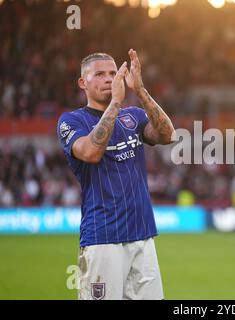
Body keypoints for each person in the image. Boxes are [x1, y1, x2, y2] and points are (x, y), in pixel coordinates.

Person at [57, 49, 175, 300]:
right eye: (99, 74)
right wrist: (115, 104)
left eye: (113, 73)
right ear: (83, 83)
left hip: (142, 234)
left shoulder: (133, 116)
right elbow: (90, 152)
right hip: (103, 237)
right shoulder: (71, 121)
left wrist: (140, 90)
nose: (109, 79)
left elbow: (167, 135)